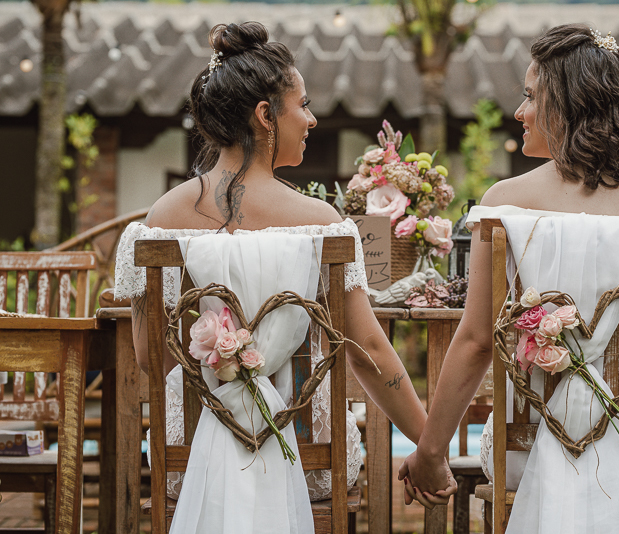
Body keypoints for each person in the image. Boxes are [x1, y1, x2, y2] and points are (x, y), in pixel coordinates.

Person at [113, 21, 447, 532]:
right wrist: (428, 448)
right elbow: (370, 353)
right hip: (299, 448)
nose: (311, 119)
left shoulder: (160, 219)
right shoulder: (320, 224)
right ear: (266, 115)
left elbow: (148, 357)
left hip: (195, 450)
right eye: (304, 105)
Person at [399, 23, 619, 531]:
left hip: (528, 439)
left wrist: (431, 451)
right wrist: (612, 412)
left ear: (569, 103)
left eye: (530, 96)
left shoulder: (504, 202)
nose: (519, 113)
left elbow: (476, 341)